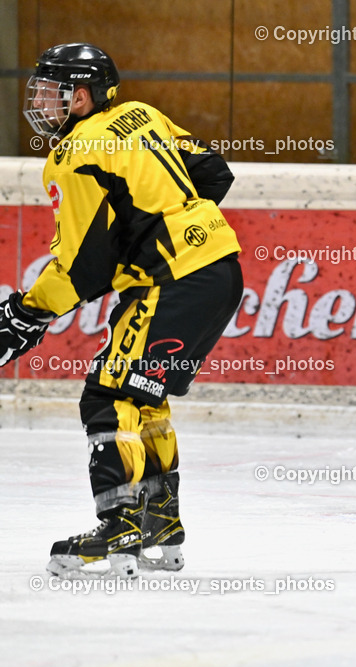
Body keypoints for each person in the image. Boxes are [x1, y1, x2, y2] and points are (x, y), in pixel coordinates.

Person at [1, 43, 243, 578]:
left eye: (52, 92)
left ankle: (119, 525)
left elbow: (80, 267)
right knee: (145, 397)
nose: (41, 103)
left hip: (172, 280)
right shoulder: (143, 116)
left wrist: (25, 314)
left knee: (108, 394)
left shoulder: (77, 153)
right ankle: (161, 521)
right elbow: (215, 174)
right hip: (221, 267)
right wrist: (160, 224)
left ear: (81, 96)